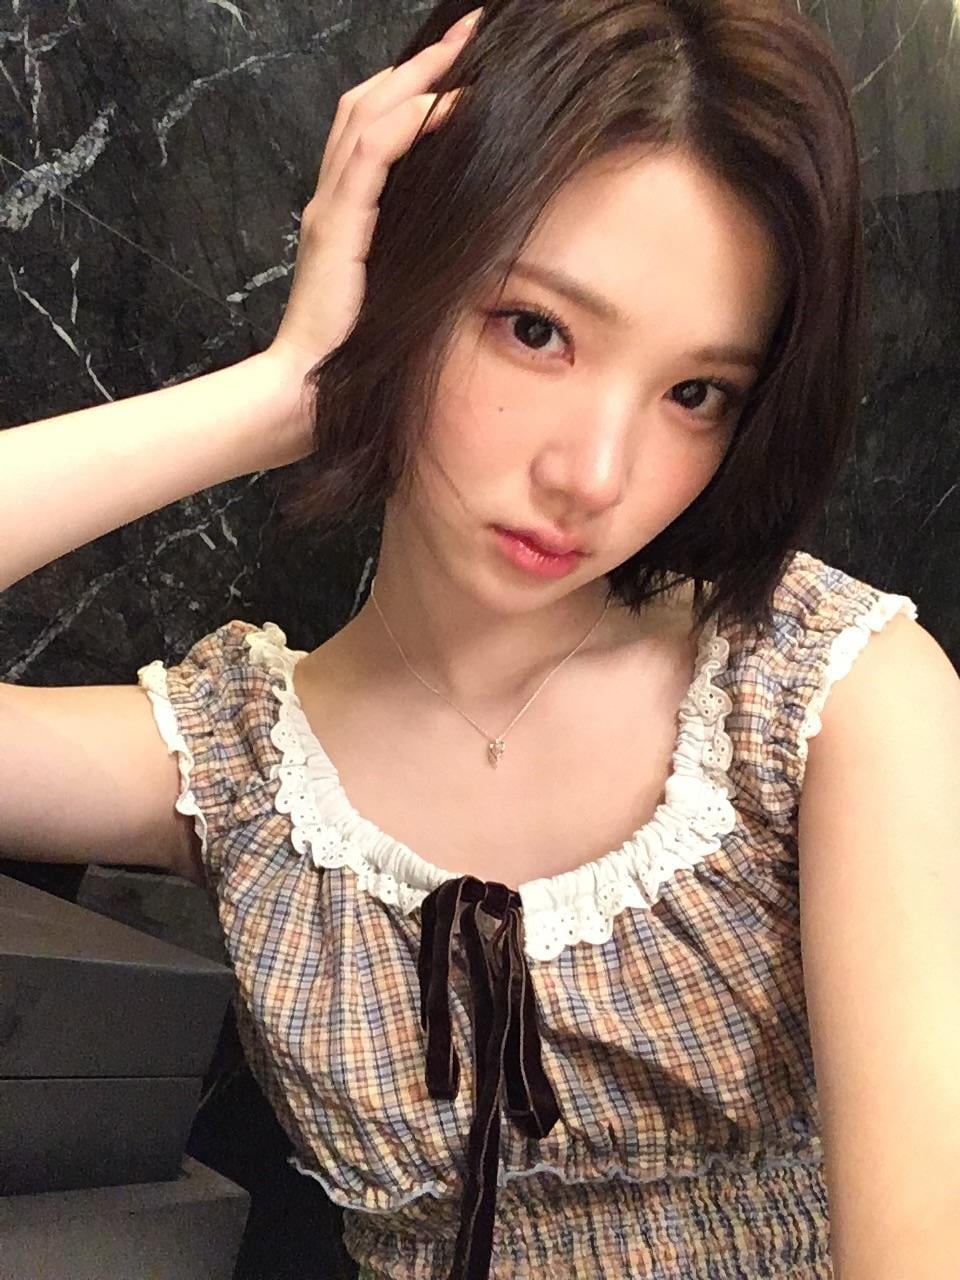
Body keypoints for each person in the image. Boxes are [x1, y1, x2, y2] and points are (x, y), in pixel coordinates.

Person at [2, 1, 958, 1277]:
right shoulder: (244, 771)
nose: (595, 474)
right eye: (536, 328)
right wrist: (285, 392)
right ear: (401, 271)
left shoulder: (825, 694)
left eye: (695, 393)